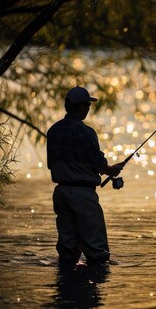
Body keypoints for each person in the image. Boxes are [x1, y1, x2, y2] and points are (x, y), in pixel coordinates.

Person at [46, 86, 124, 265]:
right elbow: (100, 165)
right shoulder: (85, 132)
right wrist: (113, 170)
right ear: (81, 107)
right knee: (98, 253)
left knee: (68, 252)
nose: (88, 108)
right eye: (88, 105)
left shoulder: (53, 131)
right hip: (82, 195)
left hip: (61, 194)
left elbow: (51, 164)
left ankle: (65, 289)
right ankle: (94, 285)